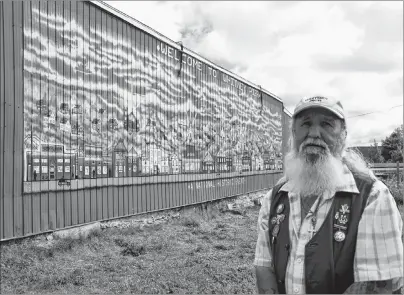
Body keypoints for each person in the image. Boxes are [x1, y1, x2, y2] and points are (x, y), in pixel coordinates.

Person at [254, 96, 403, 294]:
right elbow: (264, 266)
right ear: (293, 134)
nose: (314, 133)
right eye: (305, 123)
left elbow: (378, 286)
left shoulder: (373, 197)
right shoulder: (276, 197)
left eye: (326, 124)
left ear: (343, 137)